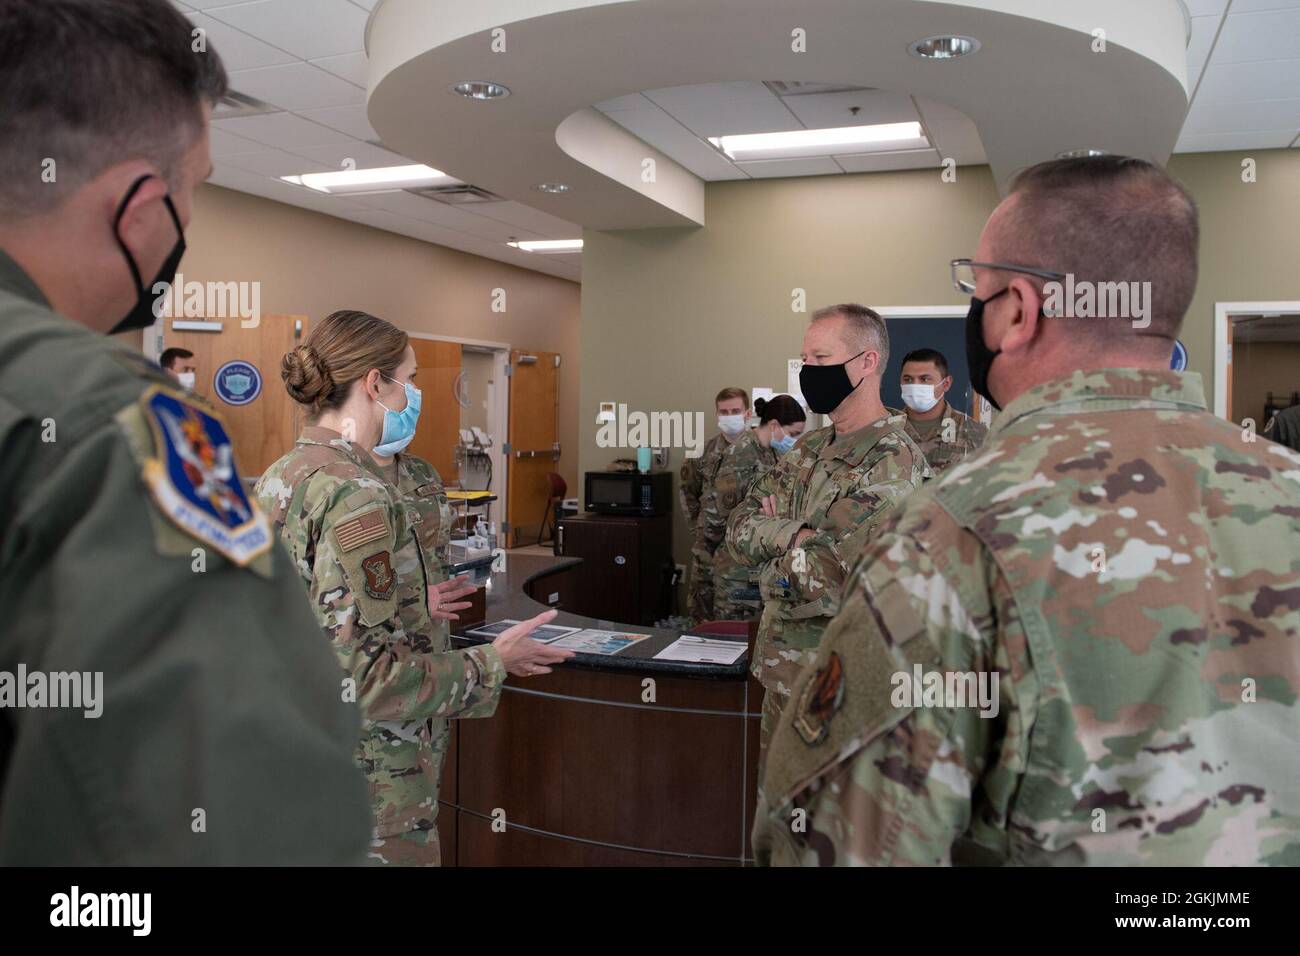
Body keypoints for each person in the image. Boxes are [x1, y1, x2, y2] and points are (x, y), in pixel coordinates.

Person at [755, 155, 1300, 866]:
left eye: (975, 289)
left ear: (1017, 309)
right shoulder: (1286, 484)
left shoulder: (954, 528)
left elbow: (841, 844)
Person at [0, 0, 370, 865]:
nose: (187, 224)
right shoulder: (102, 425)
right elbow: (241, 814)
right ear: (137, 209)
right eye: (193, 188)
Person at [256, 309, 573, 867]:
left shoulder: (280, 477)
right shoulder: (357, 495)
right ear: (376, 384)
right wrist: (494, 662)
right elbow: (367, 678)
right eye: (414, 378)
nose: (418, 393)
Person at [726, 305, 929, 771]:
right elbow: (738, 529)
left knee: (828, 832)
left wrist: (772, 560)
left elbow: (826, 575)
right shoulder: (810, 447)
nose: (809, 373)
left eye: (821, 358)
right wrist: (797, 535)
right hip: (782, 675)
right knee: (777, 822)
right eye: (805, 361)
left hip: (844, 687)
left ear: (866, 362)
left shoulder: (892, 461)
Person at [711, 395, 807, 622]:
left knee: (756, 636)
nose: (795, 440)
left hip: (760, 563)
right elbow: (724, 514)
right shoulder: (741, 454)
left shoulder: (774, 453)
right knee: (733, 637)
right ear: (774, 425)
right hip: (735, 568)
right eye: (793, 434)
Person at [679, 386, 751, 622]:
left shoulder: (764, 453)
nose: (730, 416)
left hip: (742, 556)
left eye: (735, 411)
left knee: (738, 622)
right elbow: (688, 491)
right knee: (701, 617)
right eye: (724, 412)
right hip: (706, 553)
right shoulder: (702, 453)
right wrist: (698, 530)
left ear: (747, 413)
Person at [898, 347, 987, 476]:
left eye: (925, 379)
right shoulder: (886, 429)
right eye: (908, 379)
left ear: (946, 384)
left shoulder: (975, 433)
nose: (915, 385)